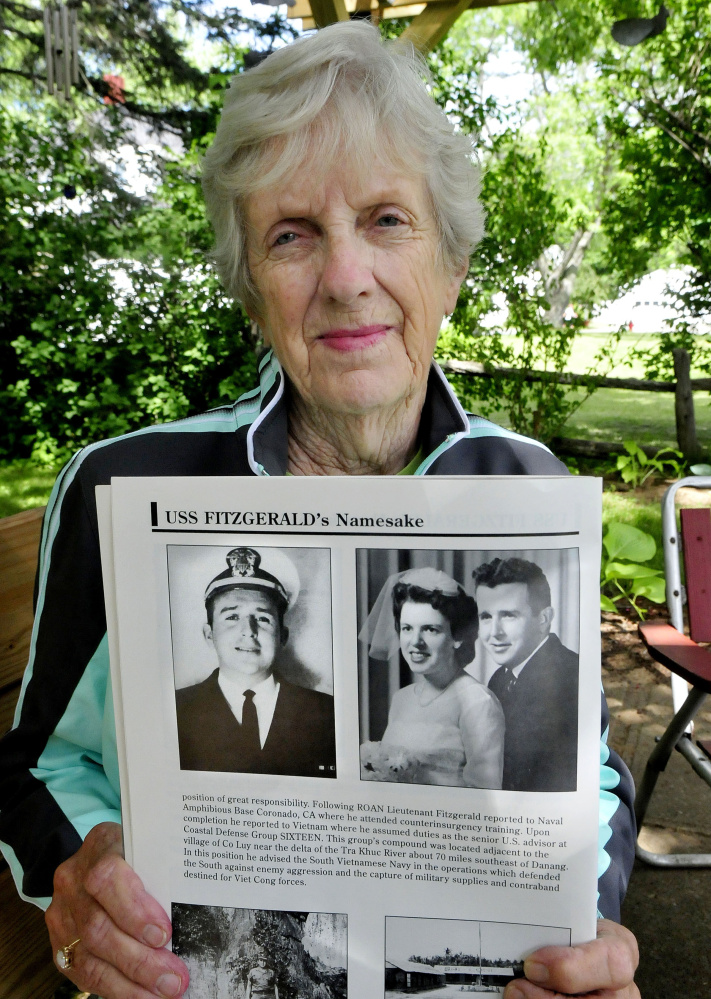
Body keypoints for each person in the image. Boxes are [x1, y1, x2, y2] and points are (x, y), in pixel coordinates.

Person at [0, 21, 639, 999]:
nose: (345, 278)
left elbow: (589, 781)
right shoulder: (121, 486)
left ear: (451, 268)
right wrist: (74, 869)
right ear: (254, 289)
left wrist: (584, 928)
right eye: (292, 235)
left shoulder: (532, 488)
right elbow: (40, 765)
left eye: (387, 220)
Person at [175, 547, 336, 776]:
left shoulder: (326, 713)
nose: (248, 631)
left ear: (283, 636)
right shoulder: (177, 710)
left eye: (262, 618)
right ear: (209, 635)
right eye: (232, 617)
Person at [360, 567, 504, 787]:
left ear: (457, 636)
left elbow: (483, 796)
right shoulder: (402, 698)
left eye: (430, 629)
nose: (415, 642)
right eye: (407, 628)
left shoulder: (478, 702)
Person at [474, 557, 578, 792]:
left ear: (543, 619)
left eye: (509, 615)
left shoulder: (570, 679)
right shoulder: (501, 678)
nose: (494, 633)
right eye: (486, 617)